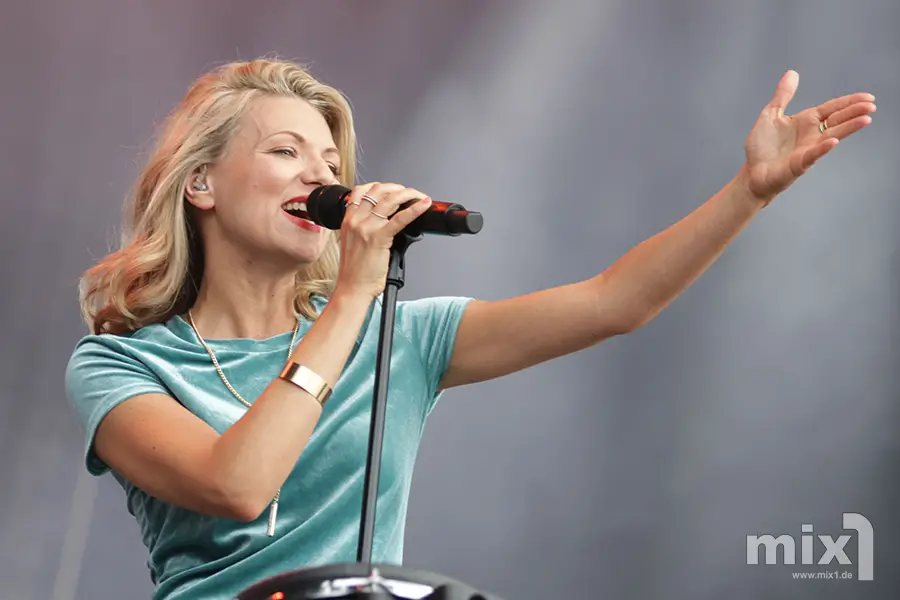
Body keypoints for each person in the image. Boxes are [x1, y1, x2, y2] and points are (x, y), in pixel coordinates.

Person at [65, 57, 875, 599]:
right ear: (201, 183)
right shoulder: (121, 367)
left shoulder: (399, 338)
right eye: (287, 151)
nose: (321, 175)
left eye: (331, 162)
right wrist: (352, 300)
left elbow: (614, 301)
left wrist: (748, 192)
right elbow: (237, 486)